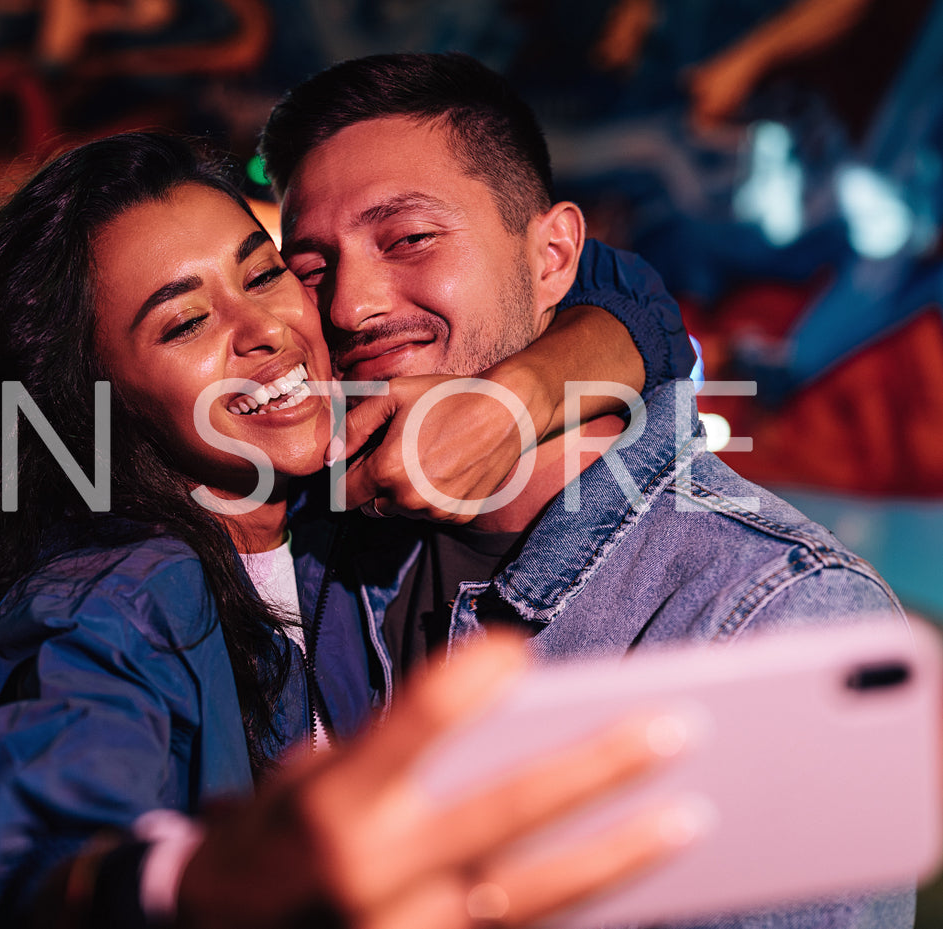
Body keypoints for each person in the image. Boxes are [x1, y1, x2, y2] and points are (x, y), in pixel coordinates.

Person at [0, 131, 702, 929]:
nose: (262, 331)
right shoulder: (112, 599)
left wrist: (515, 399)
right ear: (91, 400)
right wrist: (195, 882)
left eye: (261, 273)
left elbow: (624, 290)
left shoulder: (337, 496)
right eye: (182, 323)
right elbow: (11, 875)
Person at [258, 51, 911, 926]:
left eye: (409, 239)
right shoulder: (321, 537)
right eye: (311, 269)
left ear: (554, 257)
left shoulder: (773, 615)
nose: (350, 306)